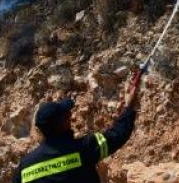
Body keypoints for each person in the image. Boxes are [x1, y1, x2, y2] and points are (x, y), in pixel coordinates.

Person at [12, 73, 141, 183]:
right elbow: (118, 134)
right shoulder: (83, 148)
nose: (71, 116)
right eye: (67, 115)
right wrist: (129, 106)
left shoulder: (24, 167)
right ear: (62, 123)